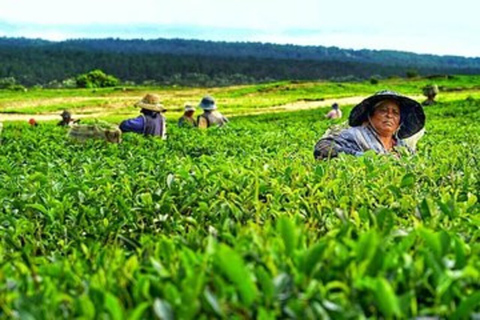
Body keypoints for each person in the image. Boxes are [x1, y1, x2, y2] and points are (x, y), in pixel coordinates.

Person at [314, 90, 425, 160]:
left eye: (395, 113)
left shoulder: (401, 145)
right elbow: (323, 147)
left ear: (400, 121)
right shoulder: (355, 134)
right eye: (383, 110)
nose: (389, 115)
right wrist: (366, 157)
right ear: (370, 116)